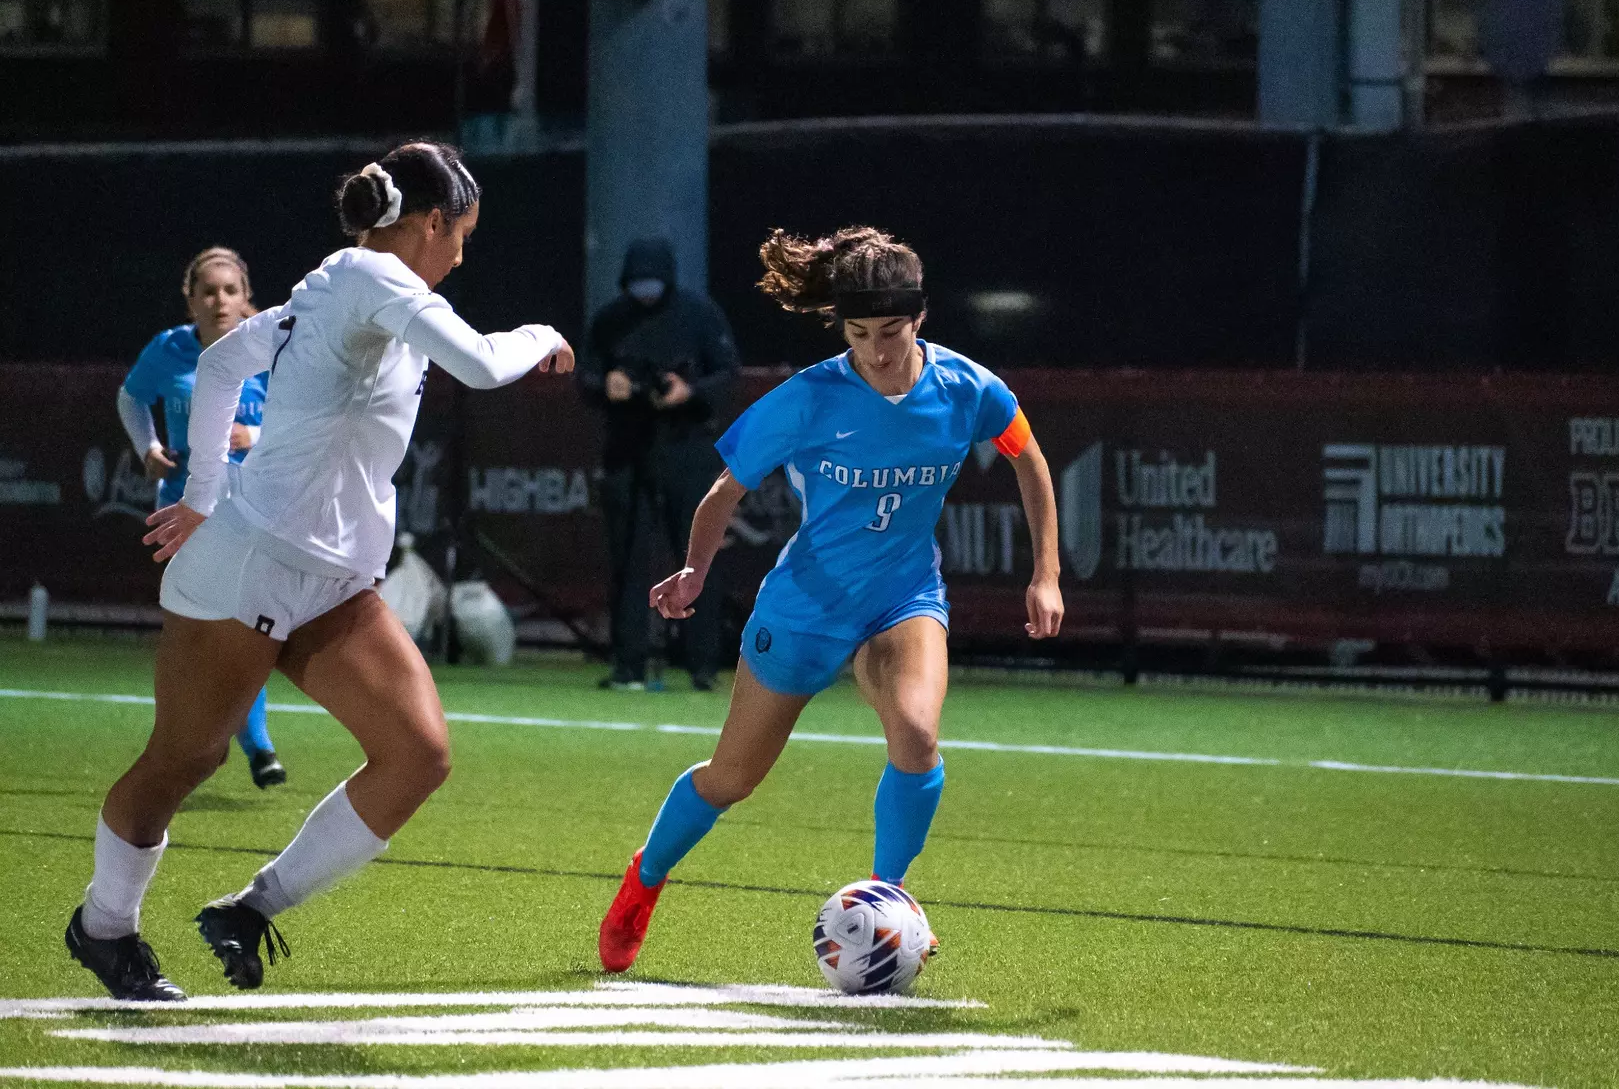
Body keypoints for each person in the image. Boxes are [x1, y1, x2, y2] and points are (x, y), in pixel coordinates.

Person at [64, 141, 574, 1001]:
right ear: (430, 223)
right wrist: (546, 334)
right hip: (255, 561)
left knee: (417, 754)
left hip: (335, 577)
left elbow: (227, 360)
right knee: (187, 759)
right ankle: (103, 927)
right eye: (463, 235)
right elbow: (486, 365)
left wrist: (201, 490)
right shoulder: (375, 280)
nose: (462, 253)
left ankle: (249, 910)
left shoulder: (347, 280)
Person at [597, 227, 1063, 973]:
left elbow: (1029, 460)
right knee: (733, 778)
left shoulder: (968, 389)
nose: (875, 351)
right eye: (858, 333)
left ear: (921, 319)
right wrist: (692, 572)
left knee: (916, 734)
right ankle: (644, 878)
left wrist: (1046, 573)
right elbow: (725, 492)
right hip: (806, 607)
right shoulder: (810, 397)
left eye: (891, 331)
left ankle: (889, 902)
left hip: (902, 598)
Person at [117, 247, 286, 790]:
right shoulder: (170, 350)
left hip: (254, 506)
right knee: (204, 630)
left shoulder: (266, 345)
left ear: (245, 298)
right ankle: (224, 743)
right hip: (186, 506)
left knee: (245, 626)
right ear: (190, 299)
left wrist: (254, 435)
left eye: (230, 290)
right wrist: (147, 446)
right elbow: (131, 397)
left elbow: (304, 418)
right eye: (208, 290)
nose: (220, 300)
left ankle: (252, 743)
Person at [579, 237, 739, 692]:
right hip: (626, 452)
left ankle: (703, 665)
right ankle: (628, 664)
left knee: (696, 559)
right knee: (627, 560)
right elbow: (586, 375)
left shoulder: (699, 313)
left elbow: (726, 372)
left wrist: (689, 391)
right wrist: (606, 384)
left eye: (652, 284)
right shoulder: (611, 319)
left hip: (686, 449)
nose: (645, 293)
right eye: (637, 284)